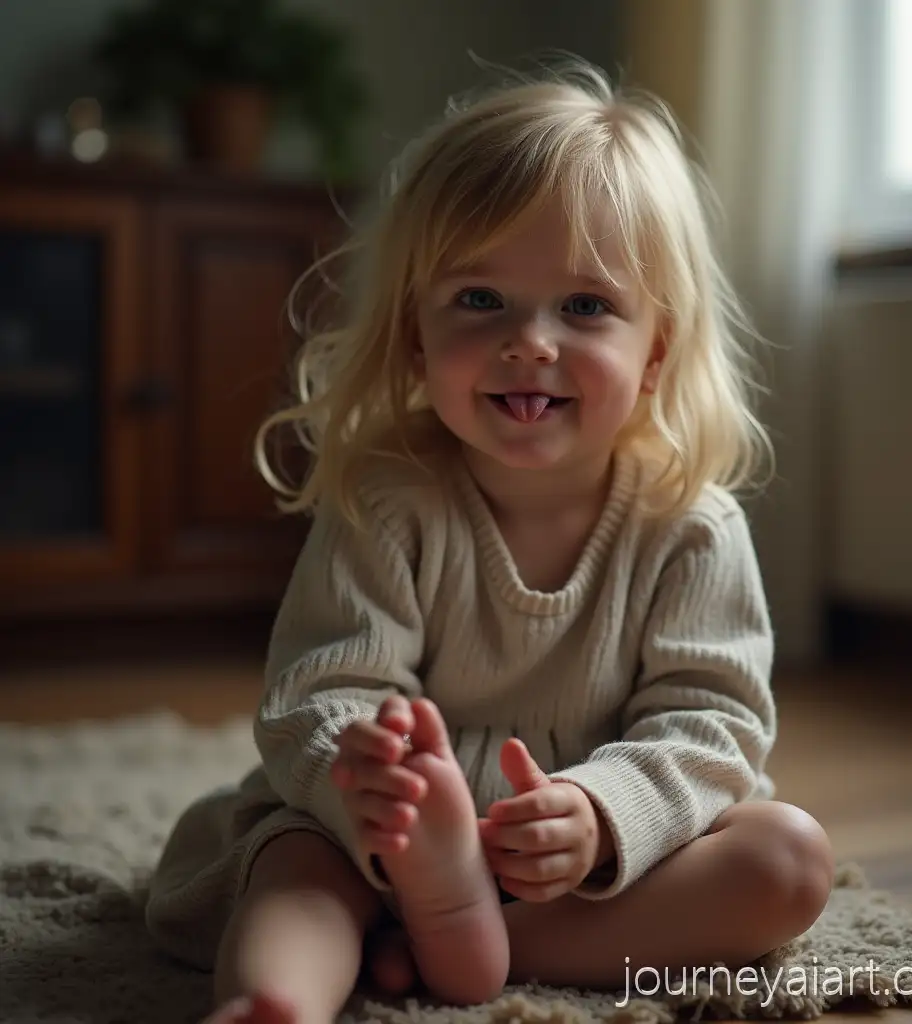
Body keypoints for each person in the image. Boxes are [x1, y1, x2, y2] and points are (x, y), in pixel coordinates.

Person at [144, 58, 834, 1024]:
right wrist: (376, 792)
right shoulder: (388, 501)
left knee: (789, 857)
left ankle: (475, 947)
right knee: (293, 867)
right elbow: (318, 692)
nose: (530, 342)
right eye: (480, 299)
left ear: (655, 352)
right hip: (383, 853)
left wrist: (600, 815)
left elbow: (712, 726)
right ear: (415, 337)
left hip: (585, 874)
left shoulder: (692, 525)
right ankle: (277, 1002)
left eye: (585, 306)